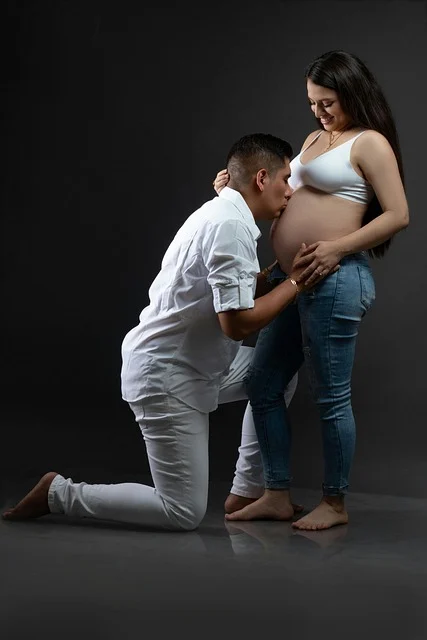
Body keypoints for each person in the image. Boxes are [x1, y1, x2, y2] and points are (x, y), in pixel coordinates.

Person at [2, 133, 335, 531]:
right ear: (262, 179)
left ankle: (247, 490)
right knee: (181, 512)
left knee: (276, 375)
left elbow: (230, 293)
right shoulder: (228, 226)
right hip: (166, 375)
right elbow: (237, 324)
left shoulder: (222, 213)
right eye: (285, 179)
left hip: (201, 363)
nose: (291, 191)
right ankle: (58, 493)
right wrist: (295, 283)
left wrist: (277, 274)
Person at [213, 50, 409, 530]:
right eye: (312, 103)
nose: (319, 112)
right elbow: (285, 198)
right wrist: (233, 192)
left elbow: (398, 214)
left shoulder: (369, 143)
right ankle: (276, 494)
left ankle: (335, 503)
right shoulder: (314, 139)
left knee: (330, 397)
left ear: (352, 93)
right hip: (292, 279)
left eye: (327, 103)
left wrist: (336, 248)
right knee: (263, 382)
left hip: (335, 278)